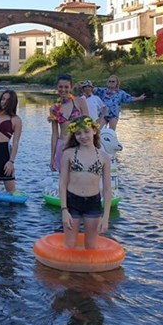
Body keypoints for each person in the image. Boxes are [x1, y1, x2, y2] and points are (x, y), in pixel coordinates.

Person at [59, 116, 113, 250]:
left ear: (94, 131)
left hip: (93, 203)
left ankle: (91, 271)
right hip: (72, 201)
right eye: (78, 133)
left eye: (86, 132)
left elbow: (107, 189)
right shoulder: (68, 154)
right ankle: (66, 271)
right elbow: (62, 184)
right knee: (70, 244)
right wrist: (64, 210)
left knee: (91, 245)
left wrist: (105, 217)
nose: (83, 136)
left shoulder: (104, 157)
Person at [48, 74, 90, 172]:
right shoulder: (54, 108)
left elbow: (88, 127)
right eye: (60, 87)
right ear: (57, 87)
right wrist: (52, 158)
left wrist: (91, 148)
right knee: (63, 180)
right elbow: (55, 134)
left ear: (71, 87)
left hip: (78, 144)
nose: (63, 90)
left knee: (80, 179)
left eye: (66, 87)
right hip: (62, 145)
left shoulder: (80, 102)